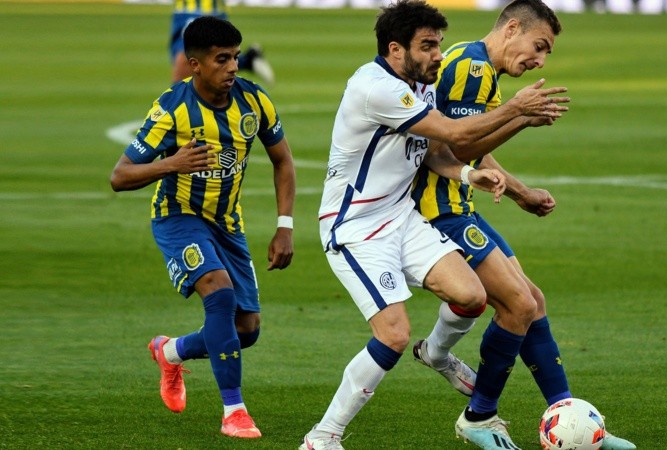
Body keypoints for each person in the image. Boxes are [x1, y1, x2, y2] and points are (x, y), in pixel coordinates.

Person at [297, 1, 565, 449]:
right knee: (394, 335)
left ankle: (437, 353)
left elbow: (438, 152)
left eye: (438, 44)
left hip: (401, 216)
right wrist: (517, 110)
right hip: (356, 227)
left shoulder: (419, 85)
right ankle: (322, 437)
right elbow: (457, 134)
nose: (438, 54)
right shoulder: (376, 88)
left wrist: (469, 176)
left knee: (472, 296)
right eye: (427, 46)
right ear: (395, 49)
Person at [409, 1, 636, 449]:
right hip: (435, 211)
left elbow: (475, 144)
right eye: (539, 46)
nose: (540, 61)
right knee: (516, 304)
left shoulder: (480, 66)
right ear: (512, 28)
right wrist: (519, 117)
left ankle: (571, 416)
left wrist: (520, 192)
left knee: (533, 301)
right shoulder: (472, 68)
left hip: (457, 205)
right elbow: (455, 149)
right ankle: (479, 417)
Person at [109, 16, 296, 439]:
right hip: (177, 217)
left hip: (227, 224)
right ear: (194, 64)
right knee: (219, 293)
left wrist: (284, 226)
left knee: (246, 330)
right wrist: (172, 164)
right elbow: (119, 176)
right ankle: (234, 411)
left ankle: (170, 351)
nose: (233, 67)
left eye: (235, 57)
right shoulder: (172, 109)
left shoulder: (254, 101)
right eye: (221, 59)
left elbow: (283, 160)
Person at [170, 0, 275, 84]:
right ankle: (247, 61)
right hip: (182, 12)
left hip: (200, 9)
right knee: (207, 57)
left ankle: (174, 102)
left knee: (186, 56)